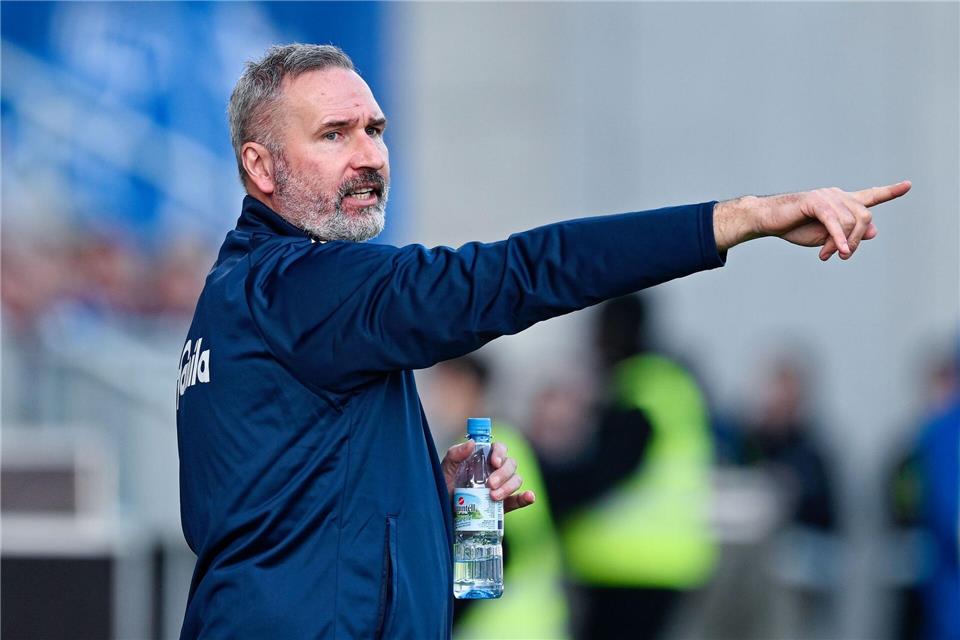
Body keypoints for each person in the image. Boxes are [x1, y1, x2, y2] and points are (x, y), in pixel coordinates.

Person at [175, 42, 910, 639]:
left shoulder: (250, 297)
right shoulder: (302, 284)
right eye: (334, 134)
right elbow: (519, 273)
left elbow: (282, 523)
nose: (368, 155)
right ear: (260, 167)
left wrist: (428, 494)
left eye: (375, 129)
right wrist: (743, 218)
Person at [536, 294, 717, 639]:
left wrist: (544, 489)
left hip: (631, 568)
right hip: (659, 564)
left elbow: (604, 474)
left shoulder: (642, 390)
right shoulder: (669, 384)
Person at [421, 355, 570, 639]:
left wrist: (442, 616)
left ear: (473, 388)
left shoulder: (487, 451)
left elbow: (498, 544)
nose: (437, 399)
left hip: (503, 625)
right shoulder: (476, 445)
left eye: (447, 387)